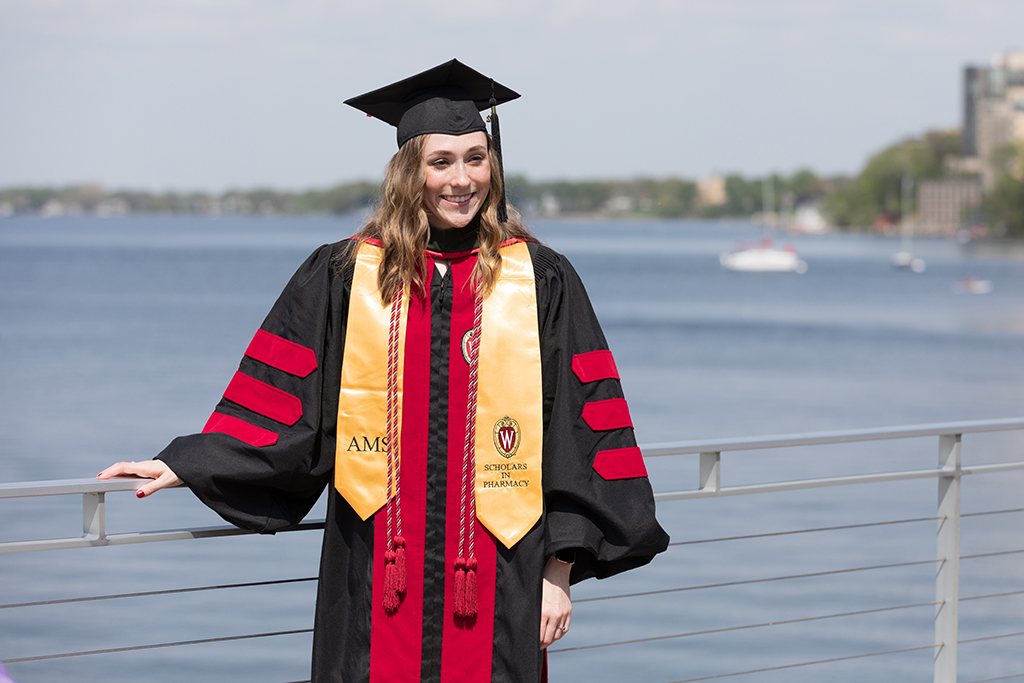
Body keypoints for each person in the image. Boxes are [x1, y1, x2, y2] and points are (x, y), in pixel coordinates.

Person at [99, 59, 669, 683]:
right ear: (408, 172)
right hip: (373, 570)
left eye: (477, 159)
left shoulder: (540, 279)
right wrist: (191, 461)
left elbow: (578, 432)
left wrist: (558, 574)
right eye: (442, 161)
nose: (462, 179)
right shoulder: (347, 275)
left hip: (502, 575)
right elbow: (289, 400)